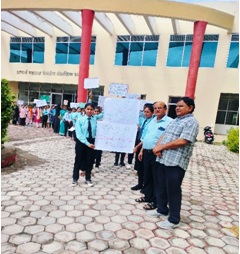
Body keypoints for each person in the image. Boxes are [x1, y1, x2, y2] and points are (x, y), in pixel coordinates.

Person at [149, 97, 199, 229]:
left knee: (173, 190)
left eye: (181, 106)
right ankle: (161, 209)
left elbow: (183, 141)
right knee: (160, 186)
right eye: (176, 106)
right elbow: (164, 135)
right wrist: (158, 146)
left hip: (176, 162)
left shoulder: (191, 122)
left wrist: (162, 147)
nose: (177, 108)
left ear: (190, 108)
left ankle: (174, 219)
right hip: (163, 159)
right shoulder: (175, 120)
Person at [135, 101, 172, 211]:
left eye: (159, 108)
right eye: (155, 108)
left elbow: (169, 138)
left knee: (157, 178)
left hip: (157, 153)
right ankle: (148, 196)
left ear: (165, 109)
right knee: (148, 176)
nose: (157, 110)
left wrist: (160, 147)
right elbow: (146, 137)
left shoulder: (170, 122)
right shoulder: (152, 121)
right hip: (146, 152)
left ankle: (155, 201)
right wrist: (141, 150)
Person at [72, 102, 103, 187]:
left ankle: (88, 178)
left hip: (91, 141)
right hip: (81, 141)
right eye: (88, 109)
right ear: (84, 110)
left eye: (91, 109)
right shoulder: (80, 119)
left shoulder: (95, 118)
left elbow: (105, 113)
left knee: (90, 160)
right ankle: (75, 179)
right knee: (78, 160)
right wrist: (87, 143)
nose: (89, 111)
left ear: (94, 110)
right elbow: (79, 134)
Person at [131, 103, 154, 191]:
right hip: (139, 142)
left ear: (152, 112)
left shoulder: (152, 122)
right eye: (145, 111)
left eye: (148, 112)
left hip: (144, 144)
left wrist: (137, 146)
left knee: (145, 167)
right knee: (139, 166)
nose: (145, 113)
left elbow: (146, 137)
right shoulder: (145, 120)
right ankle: (140, 183)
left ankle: (146, 186)